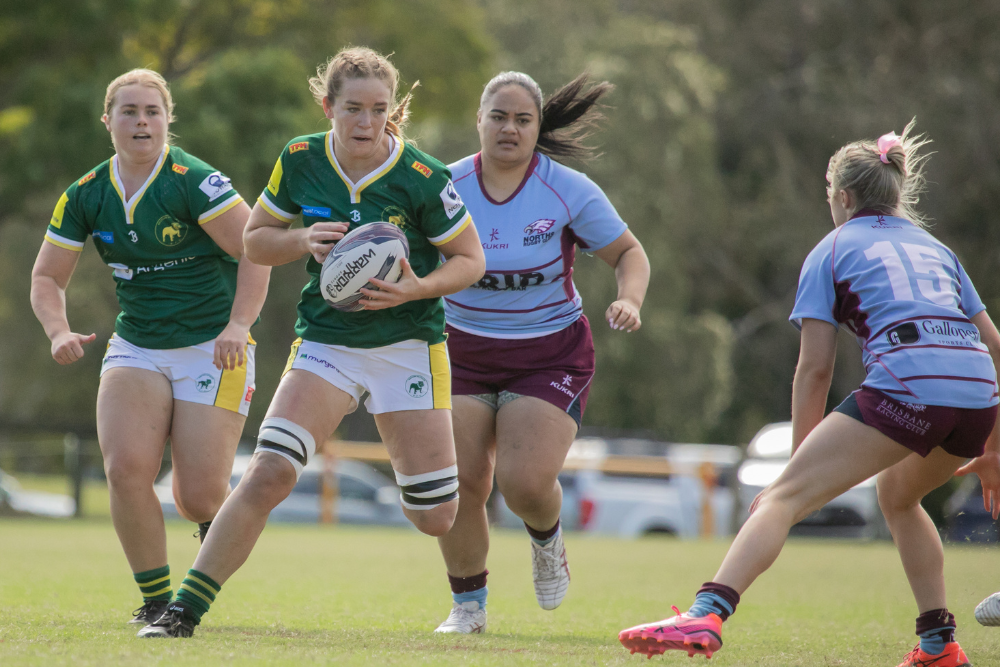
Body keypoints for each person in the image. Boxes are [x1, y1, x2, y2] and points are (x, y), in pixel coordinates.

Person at [618, 121, 1000, 667]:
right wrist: (993, 450)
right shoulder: (939, 249)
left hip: (910, 386)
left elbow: (814, 370)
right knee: (898, 497)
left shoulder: (833, 247)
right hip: (976, 397)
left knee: (779, 499)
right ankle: (938, 645)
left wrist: (798, 468)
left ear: (842, 197)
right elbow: (996, 347)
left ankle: (705, 612)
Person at [137, 47, 485, 639]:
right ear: (328, 106)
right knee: (269, 470)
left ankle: (469, 600)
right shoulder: (299, 159)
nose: (366, 124)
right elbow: (255, 241)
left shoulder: (422, 175)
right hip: (326, 342)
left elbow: (471, 260)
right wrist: (301, 240)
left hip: (408, 345)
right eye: (352, 109)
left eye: (377, 110)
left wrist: (415, 288)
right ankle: (182, 612)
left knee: (435, 515)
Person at [30, 69, 270, 626]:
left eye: (153, 112)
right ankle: (159, 600)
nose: (142, 121)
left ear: (167, 120)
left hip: (214, 346)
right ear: (108, 120)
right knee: (126, 469)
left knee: (200, 498)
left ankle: (217, 526)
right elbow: (47, 277)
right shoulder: (86, 194)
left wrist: (239, 324)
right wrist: (59, 331)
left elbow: (256, 249)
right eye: (130, 111)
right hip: (137, 345)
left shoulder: (194, 180)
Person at [432, 72, 650, 634]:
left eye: (523, 119)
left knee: (524, 483)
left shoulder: (567, 189)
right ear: (478, 121)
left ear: (537, 128)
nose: (509, 128)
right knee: (460, 484)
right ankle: (468, 608)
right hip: (461, 351)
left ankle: (547, 540)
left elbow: (629, 253)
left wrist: (630, 299)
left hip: (548, 354)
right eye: (498, 117)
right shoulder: (443, 185)